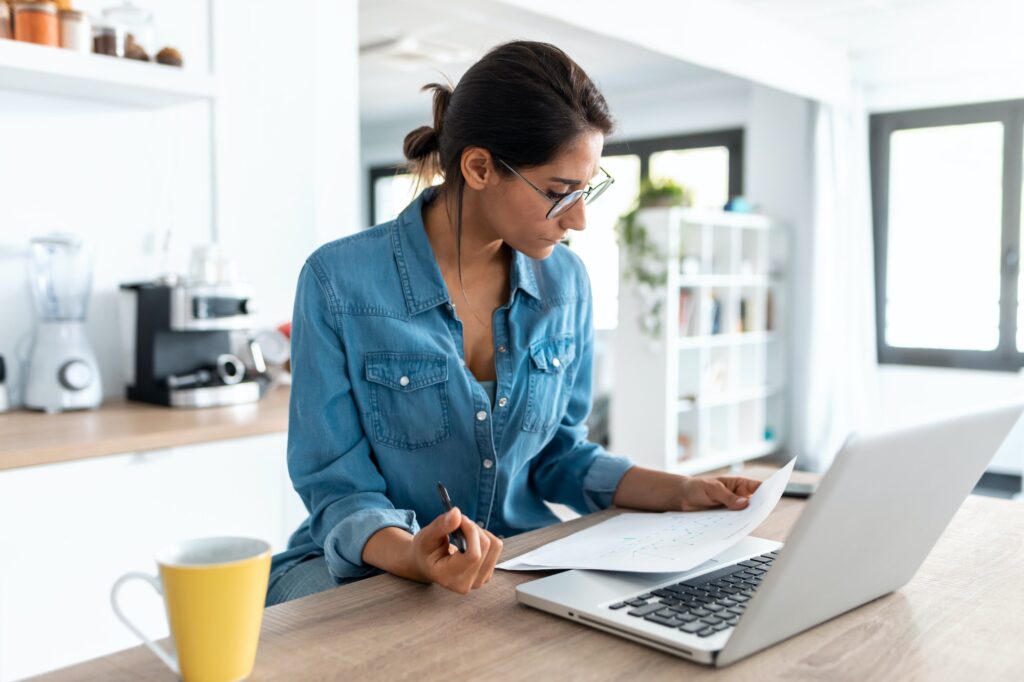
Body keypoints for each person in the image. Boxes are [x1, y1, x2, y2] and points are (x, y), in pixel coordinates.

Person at [266, 41, 762, 606]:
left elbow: (561, 458)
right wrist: (414, 554)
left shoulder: (567, 283)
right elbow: (338, 486)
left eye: (587, 189)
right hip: (370, 569)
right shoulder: (338, 280)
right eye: (559, 193)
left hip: (517, 565)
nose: (578, 219)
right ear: (479, 168)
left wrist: (682, 492)